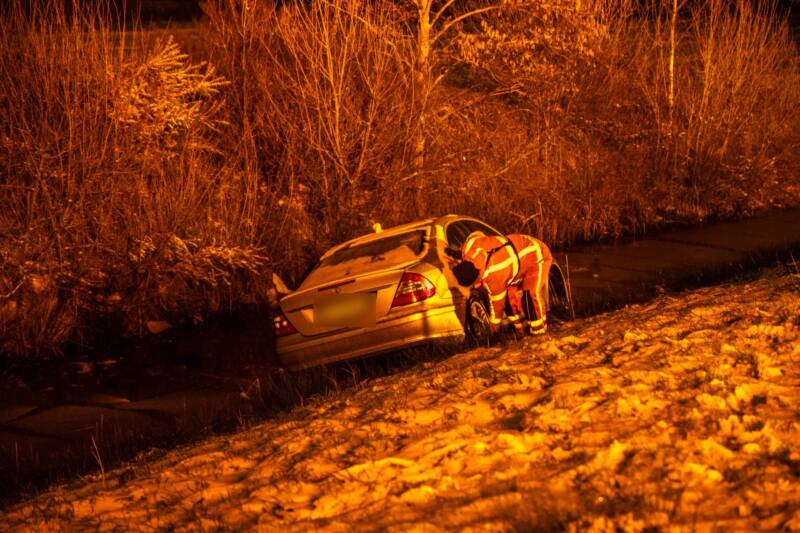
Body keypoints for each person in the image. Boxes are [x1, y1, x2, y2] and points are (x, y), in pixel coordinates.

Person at [452, 231, 553, 335]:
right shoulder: (469, 248)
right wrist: (454, 253)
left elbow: (497, 309)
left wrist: (493, 331)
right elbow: (477, 235)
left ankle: (539, 332)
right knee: (509, 301)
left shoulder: (495, 274)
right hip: (514, 261)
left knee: (530, 294)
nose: (475, 286)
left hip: (537, 254)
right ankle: (522, 331)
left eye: (474, 283)